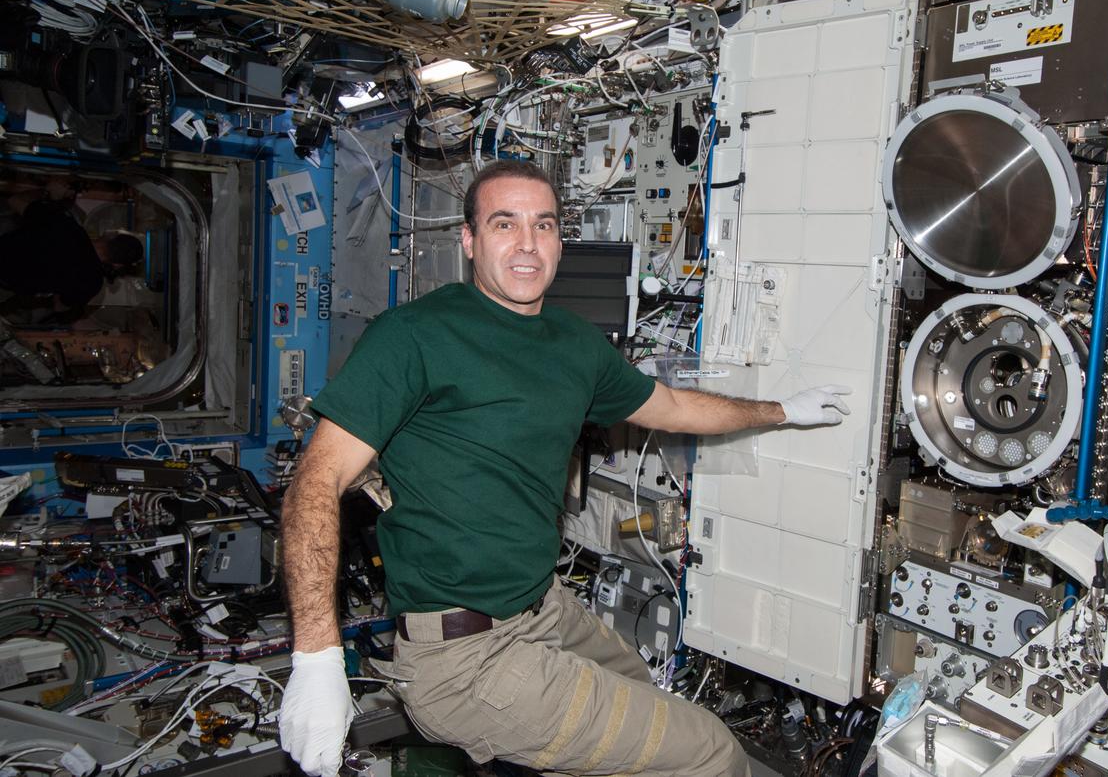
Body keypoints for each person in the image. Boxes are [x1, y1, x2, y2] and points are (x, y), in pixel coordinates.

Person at [278, 160, 852, 777]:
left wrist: (781, 410)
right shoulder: (415, 337)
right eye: (505, 224)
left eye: (543, 225)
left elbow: (675, 404)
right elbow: (316, 481)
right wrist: (316, 657)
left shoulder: (574, 345)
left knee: (649, 697)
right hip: (465, 660)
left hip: (537, 605)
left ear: (559, 241)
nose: (526, 244)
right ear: (469, 241)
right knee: (710, 753)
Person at [0, 197, 143, 319]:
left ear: (109, 235)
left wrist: (47, 193)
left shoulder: (67, 225)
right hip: (5, 283)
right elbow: (59, 307)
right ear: (117, 265)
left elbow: (14, 200)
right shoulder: (91, 284)